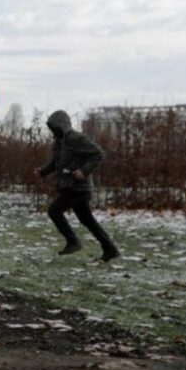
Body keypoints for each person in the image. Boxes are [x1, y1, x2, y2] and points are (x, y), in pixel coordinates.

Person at [35, 110, 120, 262]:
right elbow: (56, 163)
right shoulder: (58, 143)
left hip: (78, 187)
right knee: (87, 220)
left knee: (54, 211)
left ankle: (73, 241)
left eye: (55, 127)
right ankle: (110, 249)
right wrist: (43, 171)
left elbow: (98, 154)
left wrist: (84, 171)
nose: (53, 130)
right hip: (69, 186)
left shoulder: (76, 138)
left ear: (62, 125)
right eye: (52, 127)